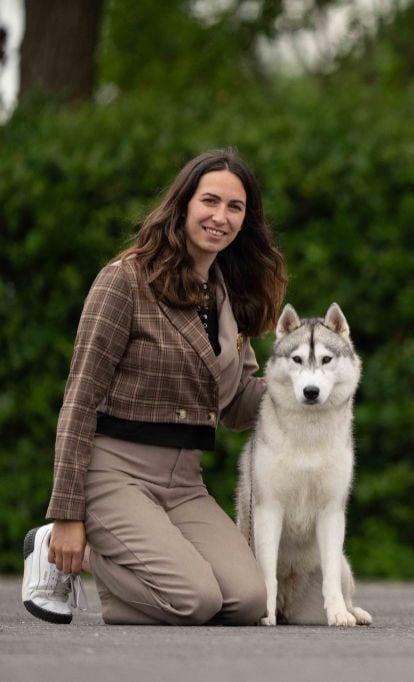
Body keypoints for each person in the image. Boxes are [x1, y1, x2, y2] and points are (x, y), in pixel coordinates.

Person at [22, 148, 288, 625]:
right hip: (114, 473)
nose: (220, 217)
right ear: (183, 204)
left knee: (249, 601)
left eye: (235, 208)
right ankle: (68, 549)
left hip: (185, 482)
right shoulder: (125, 279)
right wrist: (67, 513)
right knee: (195, 601)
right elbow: (80, 397)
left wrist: (301, 387)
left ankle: (143, 565)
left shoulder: (227, 296)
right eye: (210, 201)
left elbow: (236, 407)